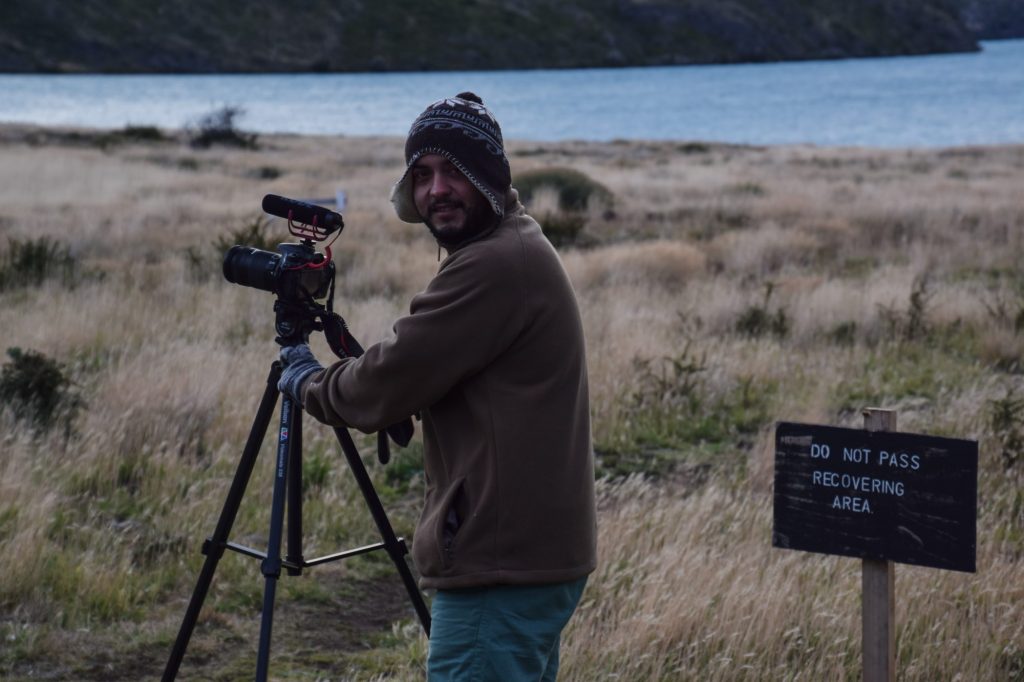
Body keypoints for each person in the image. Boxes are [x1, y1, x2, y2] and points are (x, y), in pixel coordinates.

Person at [277, 92, 596, 681]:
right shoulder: (511, 245)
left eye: (455, 171)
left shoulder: (496, 263)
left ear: (490, 176)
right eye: (421, 175)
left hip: (499, 563)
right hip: (529, 553)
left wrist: (307, 381)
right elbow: (422, 365)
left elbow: (384, 382)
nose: (435, 190)